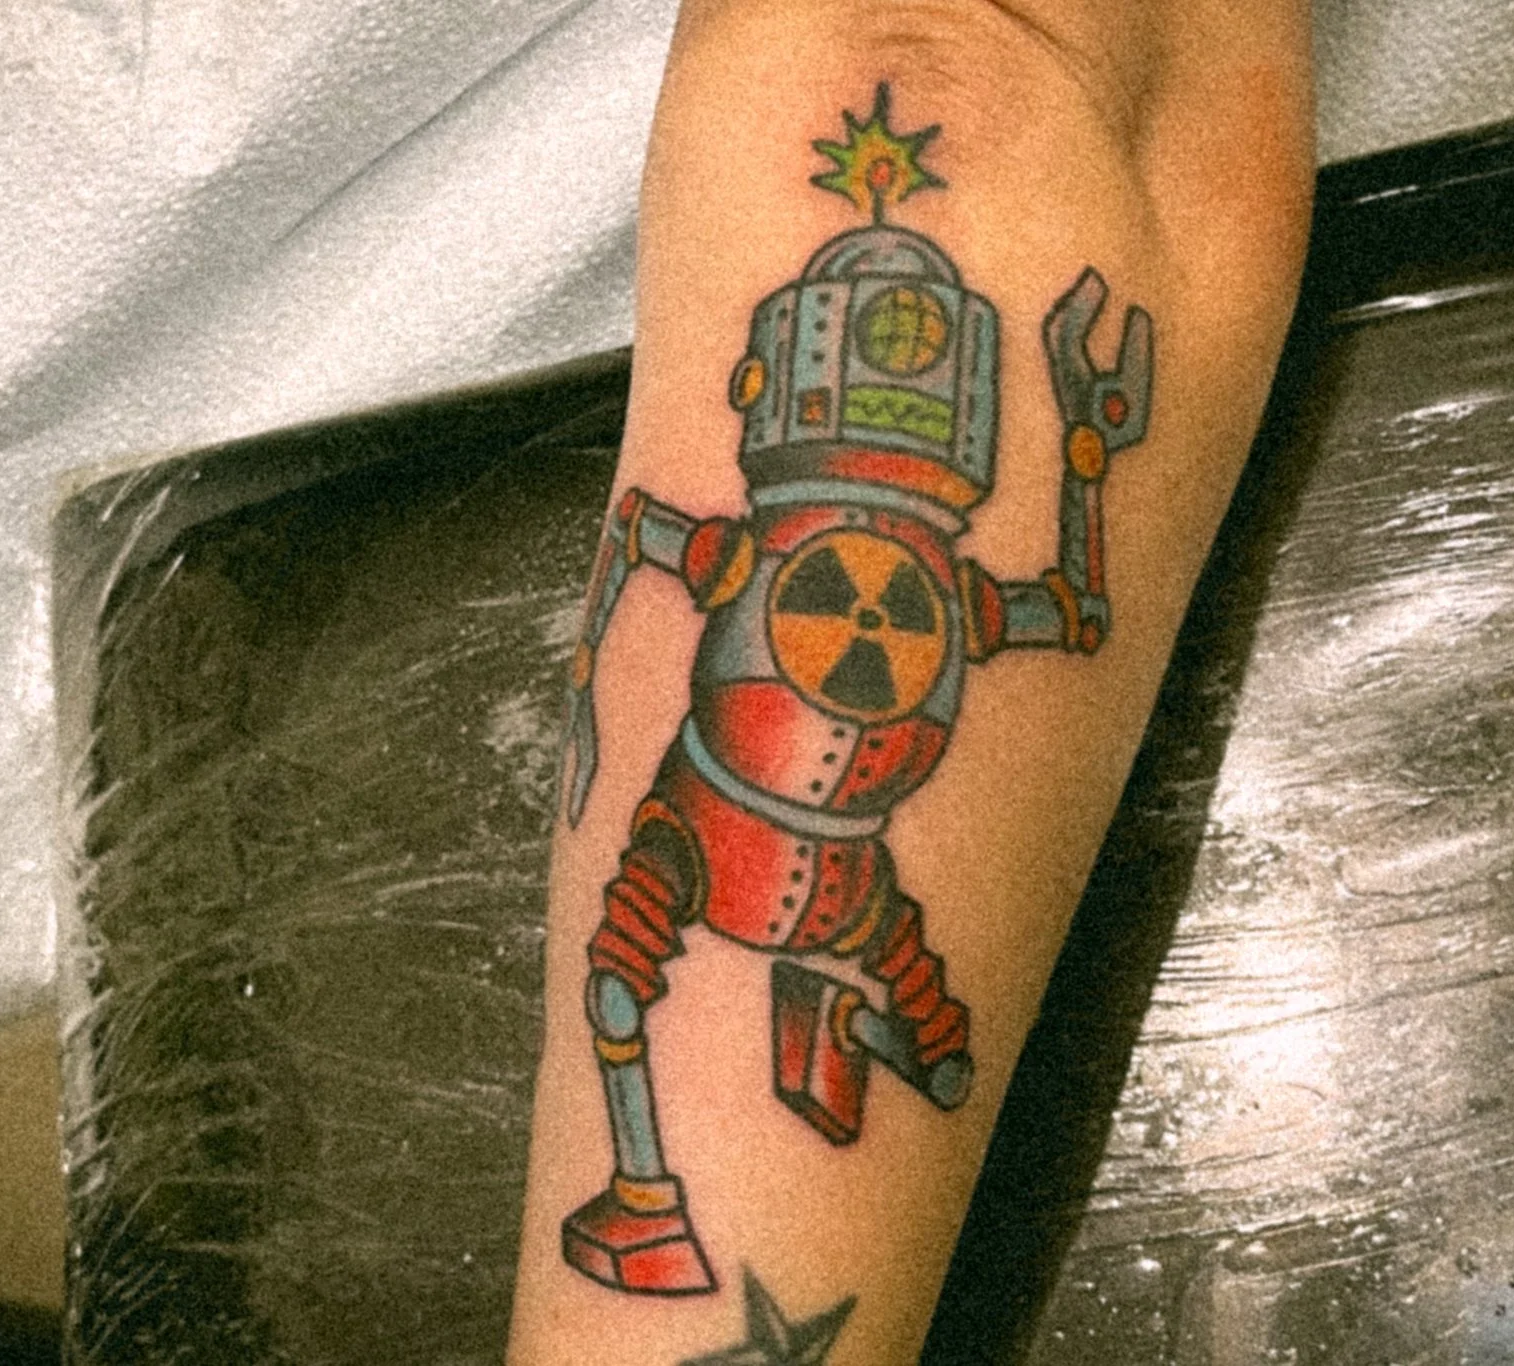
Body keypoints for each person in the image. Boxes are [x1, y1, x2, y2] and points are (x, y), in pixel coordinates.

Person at [508, 2, 1313, 1359]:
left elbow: (951, 61)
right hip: (728, 837)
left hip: (824, 868)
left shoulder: (867, 576)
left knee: (879, 1039)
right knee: (640, 986)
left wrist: (1089, 452)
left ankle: (748, 1106)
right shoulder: (826, 568)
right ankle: (652, 1189)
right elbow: (947, 66)